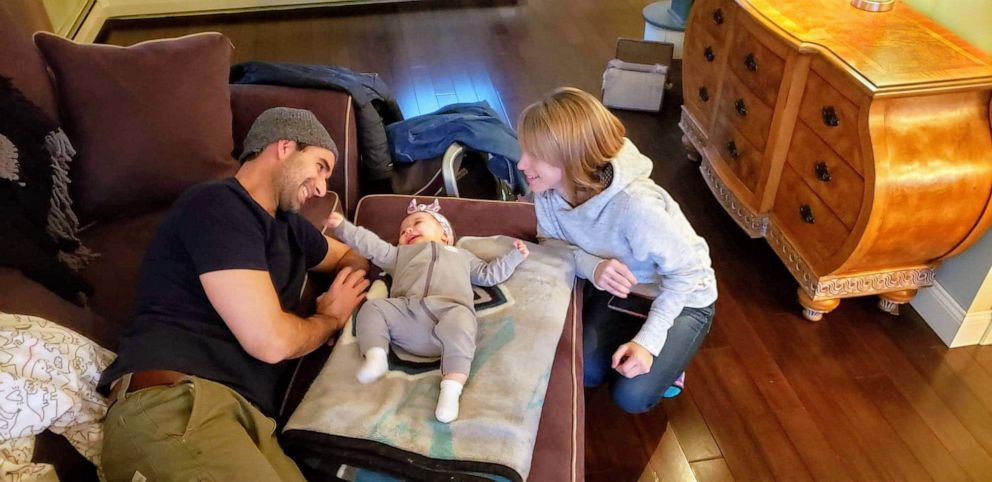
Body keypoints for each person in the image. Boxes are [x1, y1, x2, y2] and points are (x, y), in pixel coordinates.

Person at [97, 107, 370, 482]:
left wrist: (345, 285)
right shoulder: (218, 205)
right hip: (176, 405)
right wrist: (329, 319)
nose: (323, 188)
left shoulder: (292, 229)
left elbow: (353, 257)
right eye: (320, 165)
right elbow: (270, 342)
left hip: (251, 422)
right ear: (285, 146)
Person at [516, 87, 717, 414]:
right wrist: (592, 265)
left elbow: (686, 273)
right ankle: (645, 340)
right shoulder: (548, 191)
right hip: (624, 290)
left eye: (535, 155)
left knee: (631, 397)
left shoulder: (635, 207)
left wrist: (648, 343)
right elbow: (548, 242)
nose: (523, 163)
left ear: (571, 158)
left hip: (684, 295)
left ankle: (671, 361)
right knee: (588, 372)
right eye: (524, 149)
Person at [325, 198, 529, 422]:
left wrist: (514, 257)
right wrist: (344, 228)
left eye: (417, 222)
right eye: (403, 231)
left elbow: (489, 274)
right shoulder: (397, 256)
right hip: (406, 318)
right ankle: (376, 354)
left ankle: (451, 390)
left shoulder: (463, 256)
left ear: (445, 235)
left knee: (463, 318)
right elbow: (370, 245)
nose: (408, 230)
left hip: (447, 321)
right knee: (373, 307)